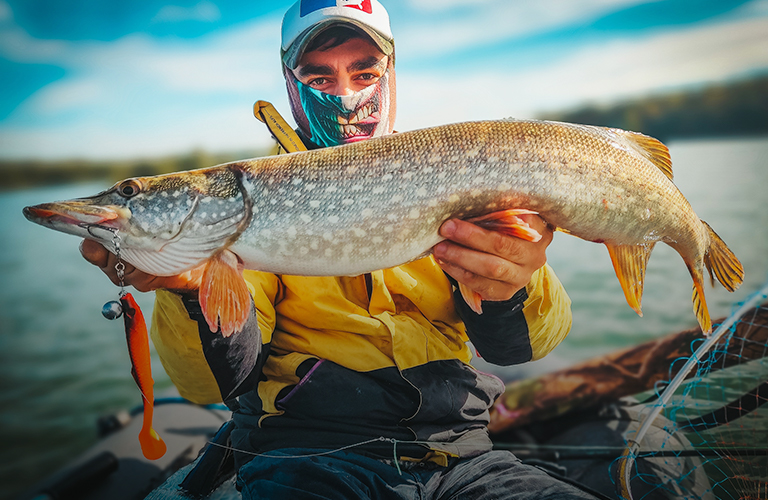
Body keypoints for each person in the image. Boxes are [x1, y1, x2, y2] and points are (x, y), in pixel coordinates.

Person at [81, 1, 595, 498]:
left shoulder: (454, 175)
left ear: (391, 75)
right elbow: (210, 385)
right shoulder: (249, 204)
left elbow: (524, 348)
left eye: (365, 73)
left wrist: (511, 285)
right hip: (307, 453)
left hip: (458, 452)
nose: (347, 97)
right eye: (320, 78)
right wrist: (190, 292)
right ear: (291, 84)